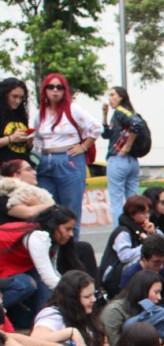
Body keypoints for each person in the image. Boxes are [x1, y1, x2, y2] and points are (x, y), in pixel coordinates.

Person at [32, 74, 102, 239]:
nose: (55, 91)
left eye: (59, 87)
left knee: (70, 211)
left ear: (65, 90)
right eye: (51, 87)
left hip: (69, 159)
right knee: (46, 210)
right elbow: (35, 138)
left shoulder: (72, 109)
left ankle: (70, 257)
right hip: (45, 161)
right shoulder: (40, 113)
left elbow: (96, 128)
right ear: (45, 90)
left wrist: (84, 146)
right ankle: (49, 254)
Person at [0, 206, 84, 323]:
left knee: (43, 287)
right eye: (67, 229)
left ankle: (45, 321)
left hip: (6, 267)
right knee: (25, 284)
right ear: (54, 225)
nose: (70, 234)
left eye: (72, 230)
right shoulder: (39, 237)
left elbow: (54, 273)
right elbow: (49, 278)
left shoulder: (51, 239)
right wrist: (77, 296)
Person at [30, 270, 107, 346]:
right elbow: (35, 339)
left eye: (94, 294)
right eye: (87, 297)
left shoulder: (88, 313)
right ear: (72, 299)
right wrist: (70, 332)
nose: (93, 299)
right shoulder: (53, 314)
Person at [101, 86, 144, 229]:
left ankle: (119, 232)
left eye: (113, 95)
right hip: (131, 162)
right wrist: (105, 116)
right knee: (133, 201)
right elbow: (106, 134)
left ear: (121, 97)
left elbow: (137, 123)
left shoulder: (121, 111)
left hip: (119, 159)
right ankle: (136, 229)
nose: (110, 98)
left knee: (117, 201)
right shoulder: (117, 115)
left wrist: (128, 145)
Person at [0, 159, 55, 225]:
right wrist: (53, 206)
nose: (35, 173)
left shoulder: (37, 193)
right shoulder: (6, 194)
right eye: (28, 170)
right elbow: (29, 213)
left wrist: (36, 203)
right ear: (16, 175)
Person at [0, 78, 31, 166]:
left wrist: (29, 141)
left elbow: (25, 149)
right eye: (14, 96)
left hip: (22, 167)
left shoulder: (21, 114)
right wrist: (11, 138)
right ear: (4, 94)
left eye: (21, 98)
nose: (18, 101)